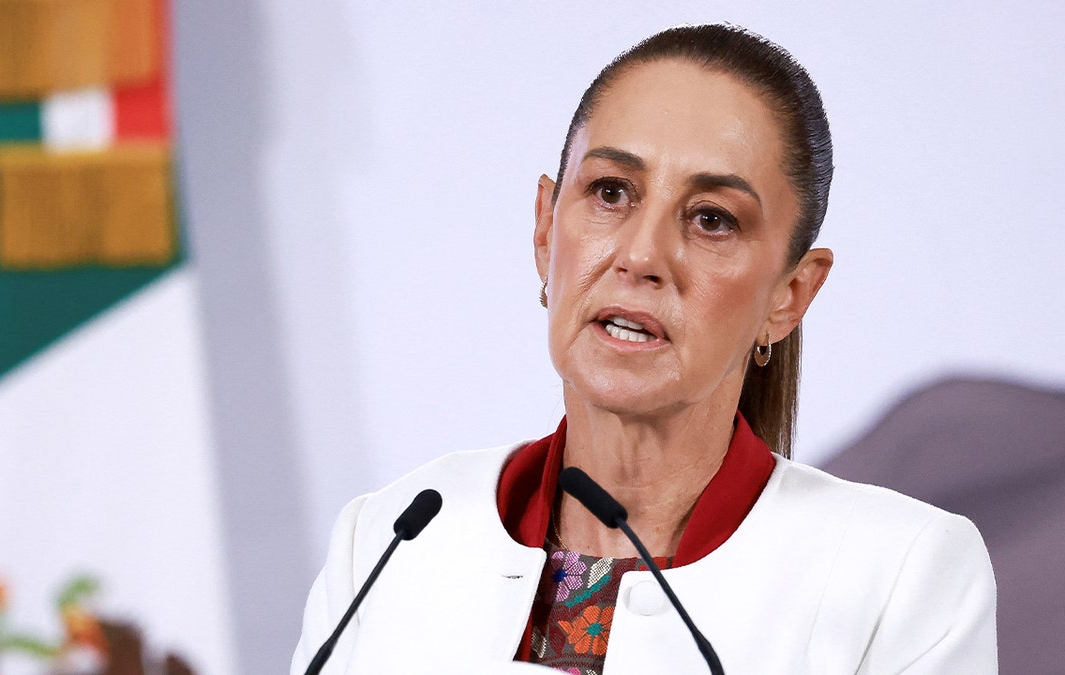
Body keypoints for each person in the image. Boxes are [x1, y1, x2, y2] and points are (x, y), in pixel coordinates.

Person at [292, 23, 997, 675]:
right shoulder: (391, 539)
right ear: (545, 227)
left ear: (790, 294)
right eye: (611, 191)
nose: (641, 254)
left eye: (712, 218)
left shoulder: (902, 577)